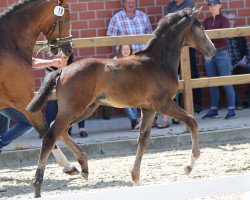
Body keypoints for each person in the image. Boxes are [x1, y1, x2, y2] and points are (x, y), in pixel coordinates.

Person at [0, 57, 64, 151]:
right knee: (29, 122)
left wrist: (51, 62)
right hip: (5, 100)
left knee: (3, 135)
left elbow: (32, 61)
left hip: (6, 100)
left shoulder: (10, 48)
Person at [202, 0, 236, 120]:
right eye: (210, 5)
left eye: (214, 5)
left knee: (226, 80)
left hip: (221, 52)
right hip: (209, 54)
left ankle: (231, 109)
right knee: (212, 82)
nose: (212, 7)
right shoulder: (206, 21)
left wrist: (209, 37)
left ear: (220, 6)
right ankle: (214, 109)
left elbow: (222, 36)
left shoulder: (224, 20)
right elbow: (202, 37)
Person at [45, 53, 88, 138]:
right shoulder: (49, 67)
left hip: (71, 93)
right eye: (59, 56)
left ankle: (82, 128)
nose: (62, 58)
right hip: (56, 92)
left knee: (80, 99)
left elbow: (78, 84)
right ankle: (49, 130)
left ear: (69, 56)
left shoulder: (75, 66)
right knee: (51, 100)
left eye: (64, 56)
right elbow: (49, 84)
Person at [223, 11, 250, 108]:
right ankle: (237, 103)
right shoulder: (220, 34)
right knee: (226, 75)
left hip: (240, 65)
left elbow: (247, 51)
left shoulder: (239, 34)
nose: (231, 21)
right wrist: (226, 64)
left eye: (233, 19)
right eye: (228, 19)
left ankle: (247, 101)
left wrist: (245, 60)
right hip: (227, 66)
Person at [114, 45, 140, 130]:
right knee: (123, 99)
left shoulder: (134, 59)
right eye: (124, 49)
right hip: (119, 87)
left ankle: (134, 121)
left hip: (133, 86)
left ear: (130, 50)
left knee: (135, 97)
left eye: (128, 49)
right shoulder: (115, 60)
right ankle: (134, 120)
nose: (126, 51)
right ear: (120, 50)